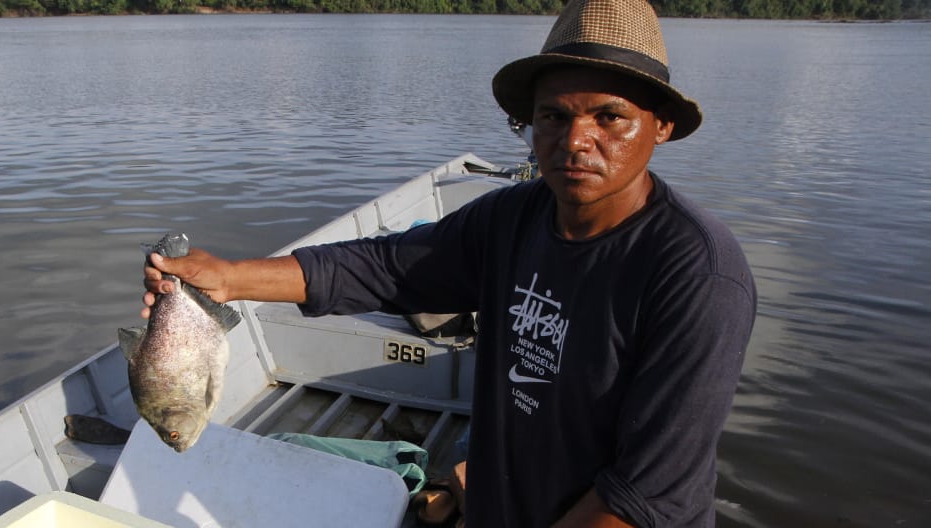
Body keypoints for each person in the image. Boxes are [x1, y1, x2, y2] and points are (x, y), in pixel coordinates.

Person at [141, 0, 756, 526]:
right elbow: (381, 267)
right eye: (554, 116)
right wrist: (224, 279)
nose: (575, 141)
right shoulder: (512, 217)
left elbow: (643, 496)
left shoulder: (697, 275)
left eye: (609, 116)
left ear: (662, 125)